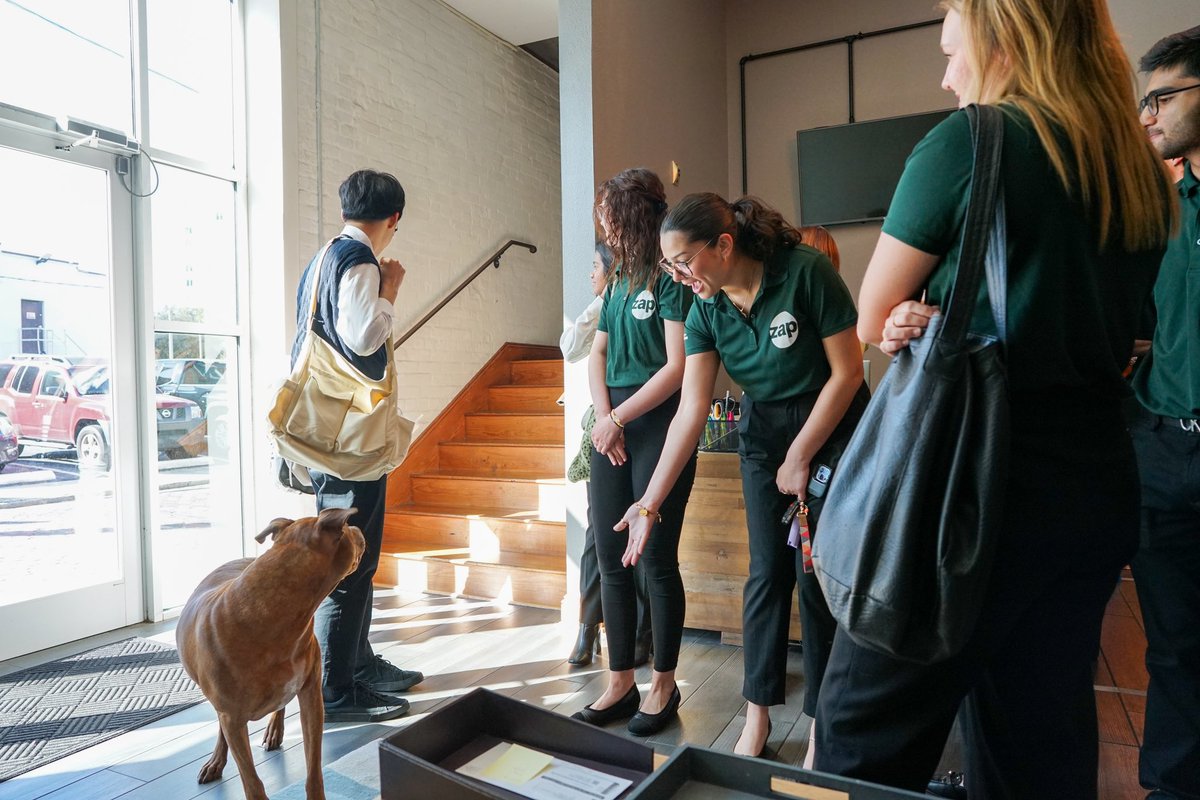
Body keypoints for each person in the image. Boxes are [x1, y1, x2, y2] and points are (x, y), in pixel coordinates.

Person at [812, 2, 1175, 797]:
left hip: (965, 492)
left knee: (860, 746)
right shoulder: (1138, 169)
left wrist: (916, 313)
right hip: (1092, 486)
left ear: (1006, 41)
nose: (947, 78)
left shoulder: (973, 141)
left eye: (953, 52)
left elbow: (873, 315)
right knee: (1035, 748)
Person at [618, 193, 867, 760]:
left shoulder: (806, 273)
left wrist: (803, 454)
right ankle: (756, 718)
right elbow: (692, 408)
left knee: (817, 574)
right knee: (766, 573)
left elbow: (848, 372)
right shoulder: (704, 306)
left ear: (723, 245)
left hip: (830, 423)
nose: (678, 277)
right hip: (763, 431)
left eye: (683, 262)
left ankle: (821, 724)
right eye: (669, 266)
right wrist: (649, 503)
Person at [290, 169, 425, 723]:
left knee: (349, 554)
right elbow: (364, 336)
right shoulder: (362, 261)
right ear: (393, 218)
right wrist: (390, 290)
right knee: (349, 559)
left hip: (329, 432)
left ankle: (356, 666)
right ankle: (336, 690)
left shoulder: (323, 258)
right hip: (351, 440)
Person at [570, 168, 695, 737]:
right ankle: (620, 680)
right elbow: (596, 354)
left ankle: (663, 685)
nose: (602, 225)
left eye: (608, 216)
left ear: (632, 217)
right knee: (610, 557)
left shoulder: (668, 279)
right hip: (611, 426)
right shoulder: (617, 280)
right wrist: (604, 417)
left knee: (655, 559)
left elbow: (676, 367)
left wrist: (620, 417)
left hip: (656, 423)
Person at [1130, 25, 1200, 800]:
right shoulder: (1165, 209)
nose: (1149, 115)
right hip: (1163, 449)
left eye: (1163, 97)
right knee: (1173, 646)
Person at [562, 242, 652, 667]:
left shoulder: (641, 298)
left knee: (638, 538)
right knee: (598, 537)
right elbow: (571, 346)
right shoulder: (605, 304)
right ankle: (587, 628)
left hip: (637, 424)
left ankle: (640, 632)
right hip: (602, 429)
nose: (590, 274)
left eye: (595, 266)